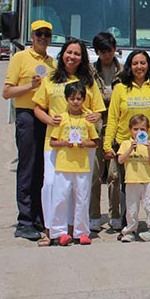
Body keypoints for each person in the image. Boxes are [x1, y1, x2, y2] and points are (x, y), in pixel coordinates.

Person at [33, 38, 105, 246]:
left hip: (83, 143)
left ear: (82, 58)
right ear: (62, 54)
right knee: (51, 185)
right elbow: (37, 107)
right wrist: (50, 120)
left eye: (77, 53)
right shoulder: (51, 79)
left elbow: (99, 110)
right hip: (55, 141)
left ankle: (74, 229)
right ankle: (52, 229)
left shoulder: (89, 82)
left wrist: (95, 117)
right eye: (69, 52)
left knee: (79, 188)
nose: (72, 56)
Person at [3, 20, 56, 241]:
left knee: (43, 170)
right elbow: (7, 92)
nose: (43, 37)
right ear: (32, 36)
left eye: (47, 34)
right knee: (27, 168)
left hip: (45, 116)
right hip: (26, 116)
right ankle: (24, 221)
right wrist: (30, 87)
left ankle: (38, 216)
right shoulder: (20, 58)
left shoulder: (53, 63)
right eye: (39, 34)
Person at [103, 50, 150, 225]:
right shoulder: (120, 88)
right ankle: (128, 224)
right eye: (135, 63)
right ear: (129, 66)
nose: (139, 67)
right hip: (126, 143)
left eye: (142, 63)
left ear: (148, 65)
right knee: (127, 184)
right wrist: (107, 144)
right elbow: (112, 118)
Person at [49, 82, 99, 246]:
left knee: (82, 199)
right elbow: (53, 142)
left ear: (84, 99)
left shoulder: (87, 119)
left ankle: (82, 232)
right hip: (63, 165)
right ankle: (59, 231)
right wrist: (65, 142)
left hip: (82, 166)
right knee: (60, 198)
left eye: (79, 98)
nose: (76, 102)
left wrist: (85, 143)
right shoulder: (61, 118)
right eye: (72, 98)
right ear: (66, 99)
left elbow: (95, 142)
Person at [90, 31, 122, 232]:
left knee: (115, 175)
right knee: (94, 173)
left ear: (115, 50)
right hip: (96, 127)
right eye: (102, 52)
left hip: (116, 126)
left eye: (109, 51)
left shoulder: (123, 71)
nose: (107, 55)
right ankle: (93, 215)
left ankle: (116, 214)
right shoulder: (90, 71)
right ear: (97, 52)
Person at [117, 114, 150, 242]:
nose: (139, 132)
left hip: (147, 180)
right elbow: (120, 160)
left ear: (148, 130)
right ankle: (130, 230)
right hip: (131, 181)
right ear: (130, 130)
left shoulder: (149, 145)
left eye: (142, 129)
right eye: (136, 129)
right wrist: (131, 148)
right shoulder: (126, 144)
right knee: (132, 207)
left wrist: (149, 149)